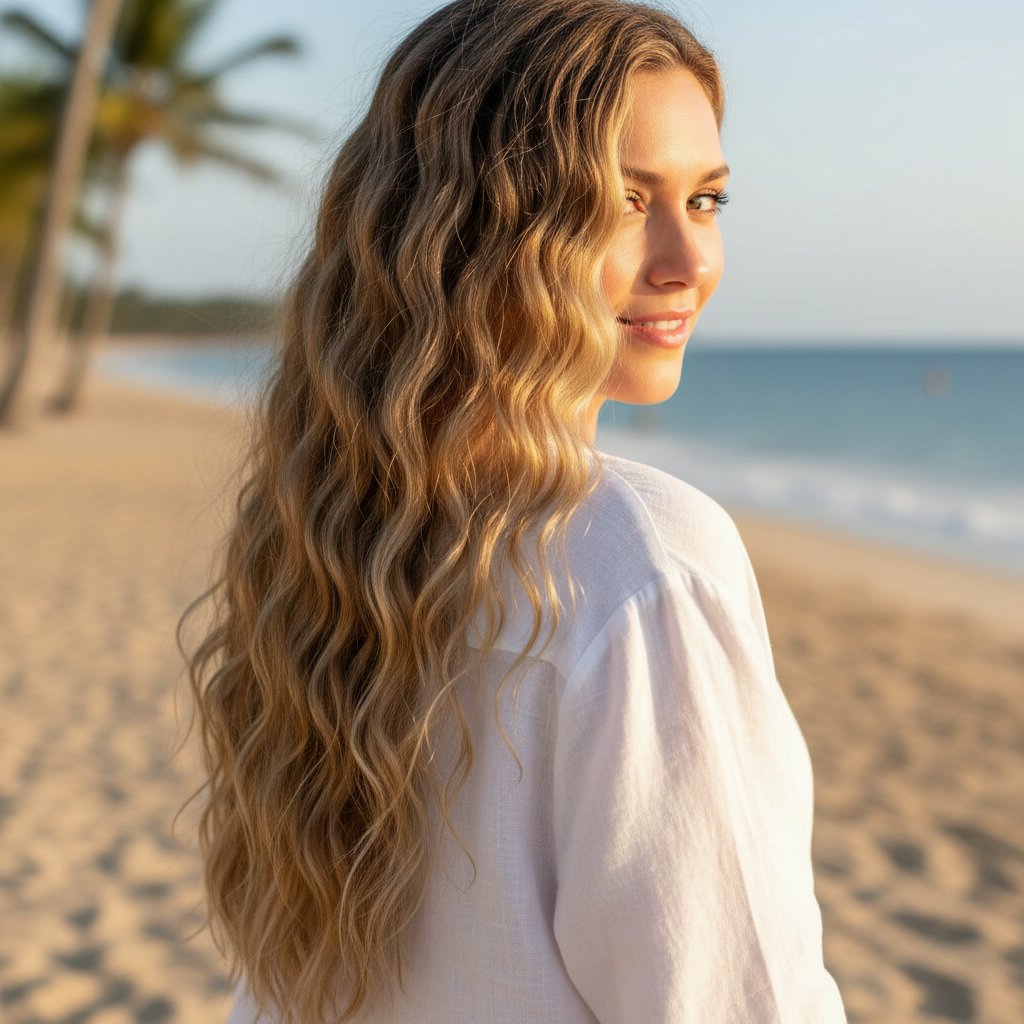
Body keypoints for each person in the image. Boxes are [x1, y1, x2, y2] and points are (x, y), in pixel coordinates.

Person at [181, 1, 849, 1021]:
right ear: (477, 228)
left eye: (706, 199)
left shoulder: (329, 535)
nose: (688, 260)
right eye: (621, 202)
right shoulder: (640, 565)